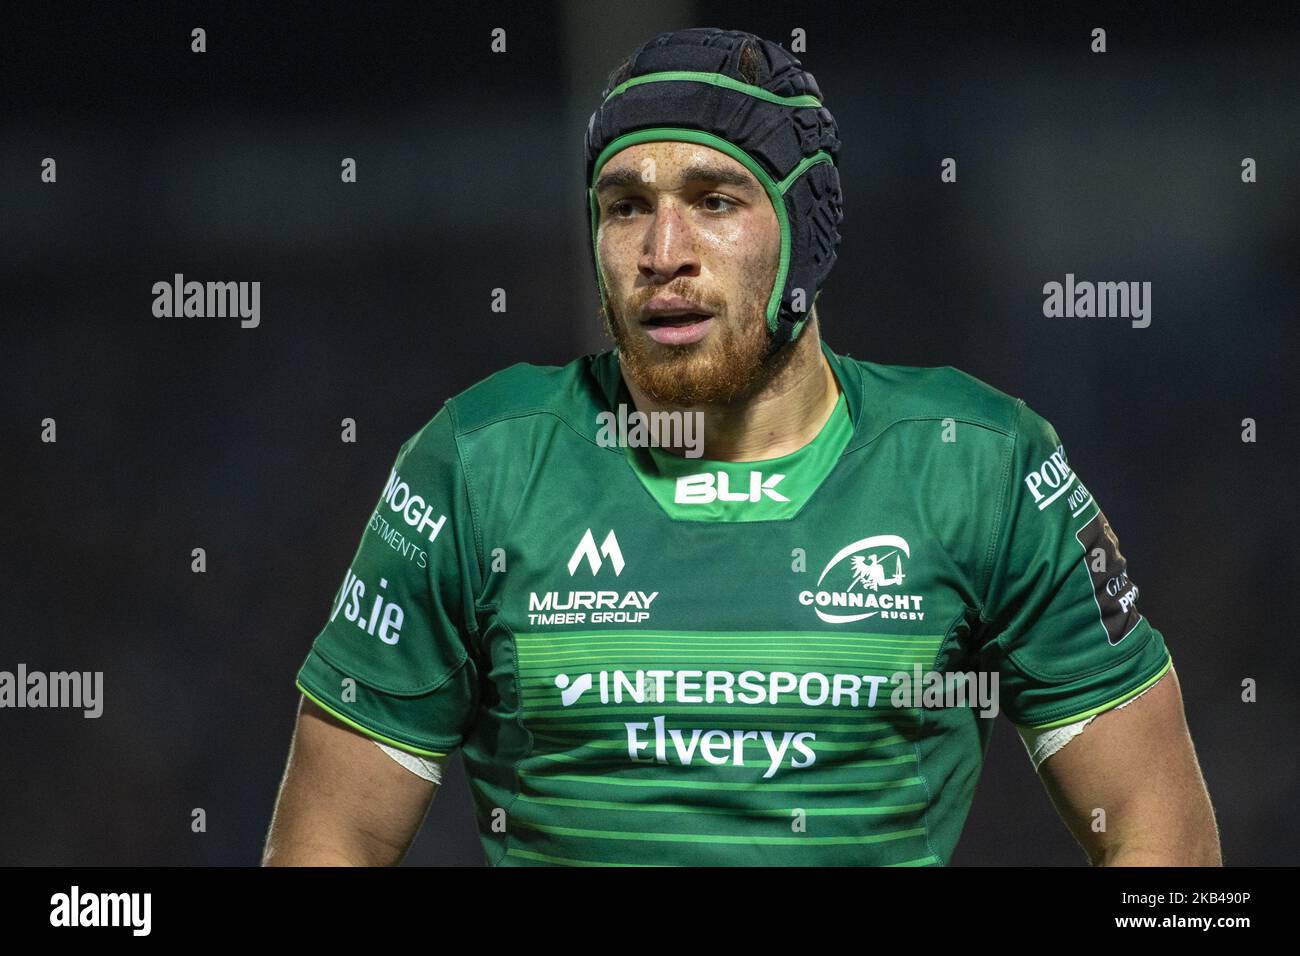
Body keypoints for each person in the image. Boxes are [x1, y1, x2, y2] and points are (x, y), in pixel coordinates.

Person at [263, 28, 1219, 866]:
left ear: (807, 236)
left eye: (716, 200)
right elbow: (328, 842)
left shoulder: (981, 463)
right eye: (625, 205)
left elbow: (1157, 829)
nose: (661, 251)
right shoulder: (476, 465)